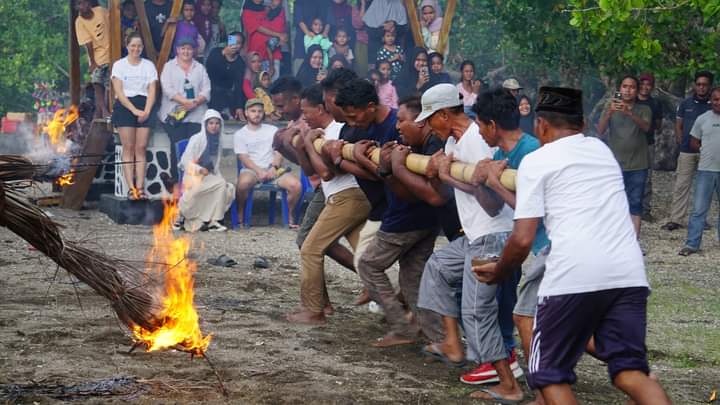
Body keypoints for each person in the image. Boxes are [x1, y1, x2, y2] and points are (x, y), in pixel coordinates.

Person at [472, 86, 671, 405]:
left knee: (548, 373)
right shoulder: (602, 151)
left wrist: (499, 271)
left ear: (541, 125)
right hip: (628, 274)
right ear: (582, 124)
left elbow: (523, 237)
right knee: (630, 372)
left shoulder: (538, 160)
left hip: (573, 274)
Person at [414, 83, 522, 402]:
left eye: (430, 119)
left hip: (494, 232)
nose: (427, 127)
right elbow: (445, 190)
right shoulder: (451, 140)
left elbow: (492, 203)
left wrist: (446, 176)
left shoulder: (477, 140)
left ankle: (505, 379)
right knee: (438, 268)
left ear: (445, 115)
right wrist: (436, 171)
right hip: (474, 234)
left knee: (477, 309)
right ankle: (454, 344)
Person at [334, 80, 441, 347]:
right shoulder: (381, 125)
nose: (353, 121)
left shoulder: (399, 124)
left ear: (370, 107)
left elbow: (387, 173)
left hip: (406, 213)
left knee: (369, 265)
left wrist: (355, 159)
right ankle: (436, 337)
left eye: (354, 115)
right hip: (415, 213)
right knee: (412, 277)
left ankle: (402, 327)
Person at [467, 88, 549, 402]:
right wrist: (479, 182)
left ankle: (542, 391)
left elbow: (535, 212)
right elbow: (492, 208)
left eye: (480, 125)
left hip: (544, 245)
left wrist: (493, 182)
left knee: (524, 317)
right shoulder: (500, 156)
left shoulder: (531, 152)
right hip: (528, 247)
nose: (478, 131)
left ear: (492, 125)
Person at [285, 84, 371, 325]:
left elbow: (326, 174)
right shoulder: (321, 131)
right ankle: (395, 300)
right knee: (366, 257)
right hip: (344, 196)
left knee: (310, 249)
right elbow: (310, 169)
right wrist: (304, 146)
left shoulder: (336, 131)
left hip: (347, 196)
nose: (304, 117)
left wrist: (309, 144)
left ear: (321, 109)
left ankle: (314, 310)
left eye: (306, 111)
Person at [234, 99, 302, 228]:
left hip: (274, 170)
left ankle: (290, 216)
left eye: (260, 111)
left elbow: (279, 151)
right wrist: (259, 171)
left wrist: (273, 167)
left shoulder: (272, 130)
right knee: (242, 184)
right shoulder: (240, 134)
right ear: (246, 113)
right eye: (253, 111)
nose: (257, 114)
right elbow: (243, 157)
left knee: (296, 185)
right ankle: (240, 214)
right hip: (252, 170)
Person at [597, 75, 652, 237]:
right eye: (624, 86)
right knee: (613, 203)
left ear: (637, 90)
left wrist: (629, 113)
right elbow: (599, 131)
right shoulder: (610, 107)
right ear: (619, 89)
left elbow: (647, 128)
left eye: (632, 87)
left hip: (638, 165)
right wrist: (609, 113)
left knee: (635, 204)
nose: (628, 90)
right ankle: (615, 239)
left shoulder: (644, 109)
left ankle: (634, 242)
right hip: (615, 165)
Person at [662, 71, 714, 231]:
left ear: (710, 86)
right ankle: (676, 219)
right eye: (698, 84)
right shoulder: (686, 103)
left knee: (705, 187)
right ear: (694, 85)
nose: (701, 87)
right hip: (686, 150)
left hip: (707, 152)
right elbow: (678, 124)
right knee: (681, 185)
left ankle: (701, 218)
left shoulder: (714, 104)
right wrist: (680, 140)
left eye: (704, 84)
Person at [110, 32, 158, 201]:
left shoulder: (149, 66)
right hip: (125, 106)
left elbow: (152, 89)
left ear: (142, 48)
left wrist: (146, 110)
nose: (136, 49)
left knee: (141, 147)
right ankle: (131, 188)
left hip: (145, 103)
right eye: (133, 46)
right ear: (127, 46)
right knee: (128, 147)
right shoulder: (119, 65)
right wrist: (133, 110)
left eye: (139, 46)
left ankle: (141, 187)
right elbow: (119, 91)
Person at [158, 37, 211, 181]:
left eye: (189, 48)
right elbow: (167, 89)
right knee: (177, 146)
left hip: (196, 115)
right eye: (183, 48)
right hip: (174, 115)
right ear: (177, 50)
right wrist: (185, 102)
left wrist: (194, 102)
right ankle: (176, 180)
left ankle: (192, 182)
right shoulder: (169, 67)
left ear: (193, 50)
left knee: (194, 147)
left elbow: (206, 90)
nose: (186, 51)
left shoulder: (199, 68)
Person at [177, 109, 235, 232]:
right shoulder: (197, 139)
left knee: (228, 188)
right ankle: (186, 215)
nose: (214, 126)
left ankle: (213, 221)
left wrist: (218, 177)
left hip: (209, 177)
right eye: (211, 123)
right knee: (220, 185)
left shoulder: (218, 141)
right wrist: (199, 169)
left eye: (217, 123)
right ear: (205, 124)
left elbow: (215, 166)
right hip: (193, 176)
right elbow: (185, 161)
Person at [678, 87, 720, 256]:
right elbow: (694, 141)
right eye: (716, 99)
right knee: (699, 209)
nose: (719, 102)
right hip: (705, 170)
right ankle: (692, 244)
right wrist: (704, 151)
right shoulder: (702, 119)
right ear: (711, 100)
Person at [75, 0, 111, 118]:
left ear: (89, 3)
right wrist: (93, 63)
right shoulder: (79, 22)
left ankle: (105, 111)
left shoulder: (100, 11)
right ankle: (103, 110)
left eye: (83, 3)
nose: (81, 6)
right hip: (97, 57)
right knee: (97, 83)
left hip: (111, 54)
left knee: (109, 85)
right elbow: (88, 43)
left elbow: (113, 24)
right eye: (78, 4)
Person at [637, 73, 663, 221]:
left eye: (649, 84)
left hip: (648, 143)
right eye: (643, 83)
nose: (645, 87)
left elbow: (659, 125)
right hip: (630, 143)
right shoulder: (631, 101)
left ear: (652, 87)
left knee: (647, 177)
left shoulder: (655, 103)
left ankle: (645, 209)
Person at [206, 32, 248, 121]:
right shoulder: (216, 52)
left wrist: (239, 107)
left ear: (241, 46)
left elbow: (238, 86)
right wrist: (224, 53)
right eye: (233, 41)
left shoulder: (240, 63)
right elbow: (209, 68)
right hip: (209, 91)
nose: (235, 45)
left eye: (238, 43)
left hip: (226, 95)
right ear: (228, 42)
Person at [242, 0, 287, 79]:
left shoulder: (268, 9)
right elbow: (257, 28)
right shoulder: (247, 11)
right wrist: (279, 35)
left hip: (272, 54)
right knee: (256, 85)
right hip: (256, 55)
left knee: (272, 85)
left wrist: (282, 36)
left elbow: (282, 29)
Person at [363, 0, 408, 65]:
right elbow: (369, 31)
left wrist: (394, 25)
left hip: (394, 48)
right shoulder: (376, 4)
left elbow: (404, 28)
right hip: (376, 48)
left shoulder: (398, 4)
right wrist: (383, 28)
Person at [292, 0, 329, 73]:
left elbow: (328, 21)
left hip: (321, 46)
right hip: (302, 46)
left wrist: (324, 34)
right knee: (300, 73)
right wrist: (308, 33)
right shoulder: (299, 2)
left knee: (321, 76)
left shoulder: (325, 2)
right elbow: (299, 20)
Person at [352, 0, 370, 76]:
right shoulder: (355, 7)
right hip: (362, 42)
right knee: (362, 68)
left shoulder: (376, 4)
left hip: (377, 41)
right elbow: (359, 23)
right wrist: (363, 4)